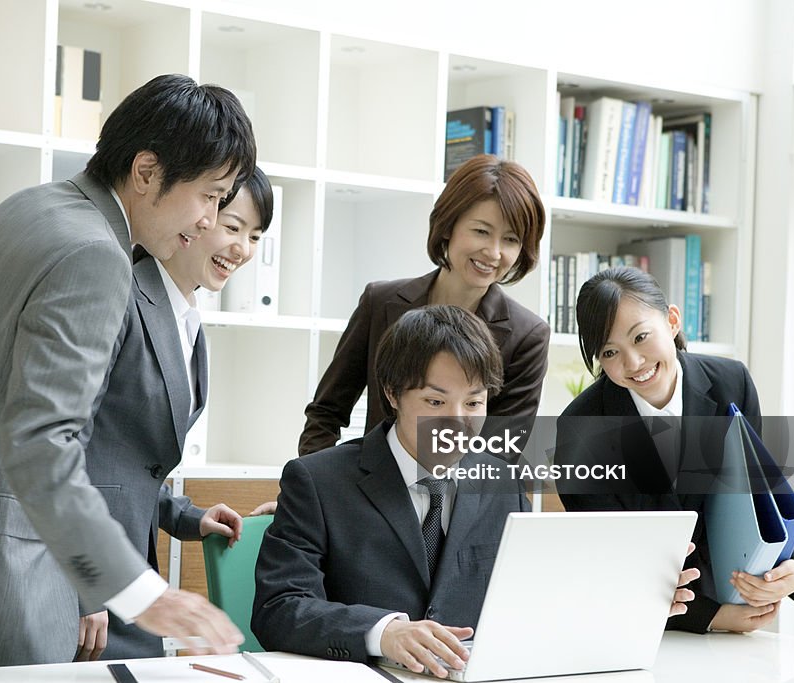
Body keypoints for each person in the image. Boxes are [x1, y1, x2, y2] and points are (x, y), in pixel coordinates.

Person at [0, 74, 255, 669]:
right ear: (145, 172)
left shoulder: (32, 206)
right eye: (211, 196)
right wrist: (140, 593)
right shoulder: (96, 256)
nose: (210, 219)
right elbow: (45, 445)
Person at [253, 305, 531, 678]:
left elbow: (530, 602)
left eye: (474, 402)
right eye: (435, 402)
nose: (458, 423)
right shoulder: (317, 481)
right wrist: (384, 633)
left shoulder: (503, 484)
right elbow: (279, 609)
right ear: (393, 393)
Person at [80, 168, 276, 661]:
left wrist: (189, 516)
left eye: (254, 236)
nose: (244, 249)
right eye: (233, 227)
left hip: (130, 575)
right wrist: (81, 585)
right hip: (90, 577)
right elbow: (69, 450)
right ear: (198, 216)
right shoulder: (121, 291)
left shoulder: (187, 319)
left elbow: (124, 461)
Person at [554, 266, 794, 634]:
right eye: (610, 351)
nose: (633, 362)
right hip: (644, 628)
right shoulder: (580, 429)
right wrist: (709, 617)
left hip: (741, 606)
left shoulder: (731, 383)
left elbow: (763, 493)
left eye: (641, 337)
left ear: (672, 320)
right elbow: (609, 560)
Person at [297, 154, 549, 457]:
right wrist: (317, 489)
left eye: (510, 239)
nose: (494, 252)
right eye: (481, 231)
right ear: (449, 225)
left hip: (458, 498)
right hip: (370, 490)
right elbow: (326, 412)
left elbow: (502, 452)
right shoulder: (380, 302)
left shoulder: (528, 335)